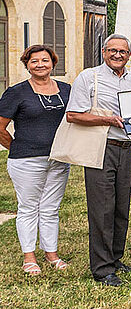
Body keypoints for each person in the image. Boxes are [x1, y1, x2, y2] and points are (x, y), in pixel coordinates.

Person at [65, 34, 131, 286]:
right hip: (101, 147)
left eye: (123, 51)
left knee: (122, 207)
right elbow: (73, 115)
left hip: (127, 146)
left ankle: (115, 258)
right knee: (102, 209)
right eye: (113, 50)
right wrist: (109, 119)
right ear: (103, 52)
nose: (118, 55)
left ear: (129, 55)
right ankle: (102, 269)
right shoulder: (89, 77)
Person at [0, 45, 71, 275]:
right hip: (26, 160)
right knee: (29, 207)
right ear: (27, 64)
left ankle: (52, 254)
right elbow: (0, 127)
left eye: (45, 60)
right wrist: (19, 147)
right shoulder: (16, 92)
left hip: (59, 158)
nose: (40, 64)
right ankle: (29, 257)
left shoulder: (66, 90)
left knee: (51, 208)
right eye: (34, 61)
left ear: (53, 63)